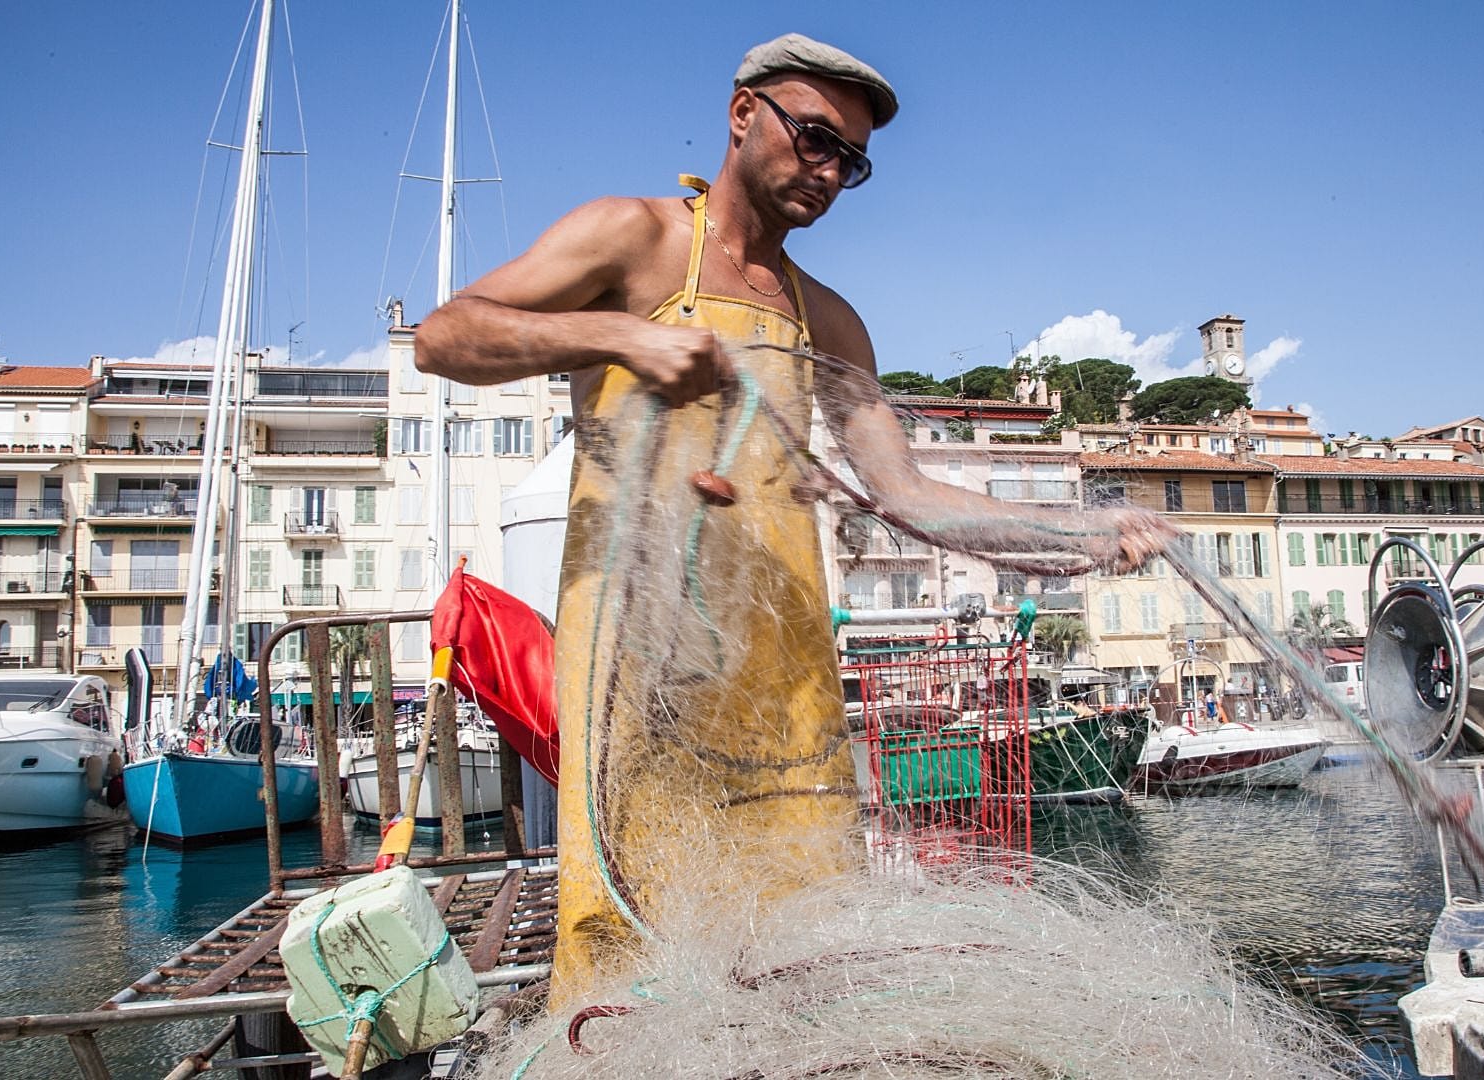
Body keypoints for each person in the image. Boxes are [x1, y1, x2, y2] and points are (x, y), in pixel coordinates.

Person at [414, 33, 1172, 999]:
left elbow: (909, 496)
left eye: (850, 160)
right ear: (742, 115)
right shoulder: (632, 239)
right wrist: (620, 336)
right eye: (813, 137)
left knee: (802, 935)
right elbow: (448, 335)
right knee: (635, 925)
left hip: (786, 676)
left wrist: (1085, 533)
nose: (828, 171)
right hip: (643, 667)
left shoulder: (832, 320)